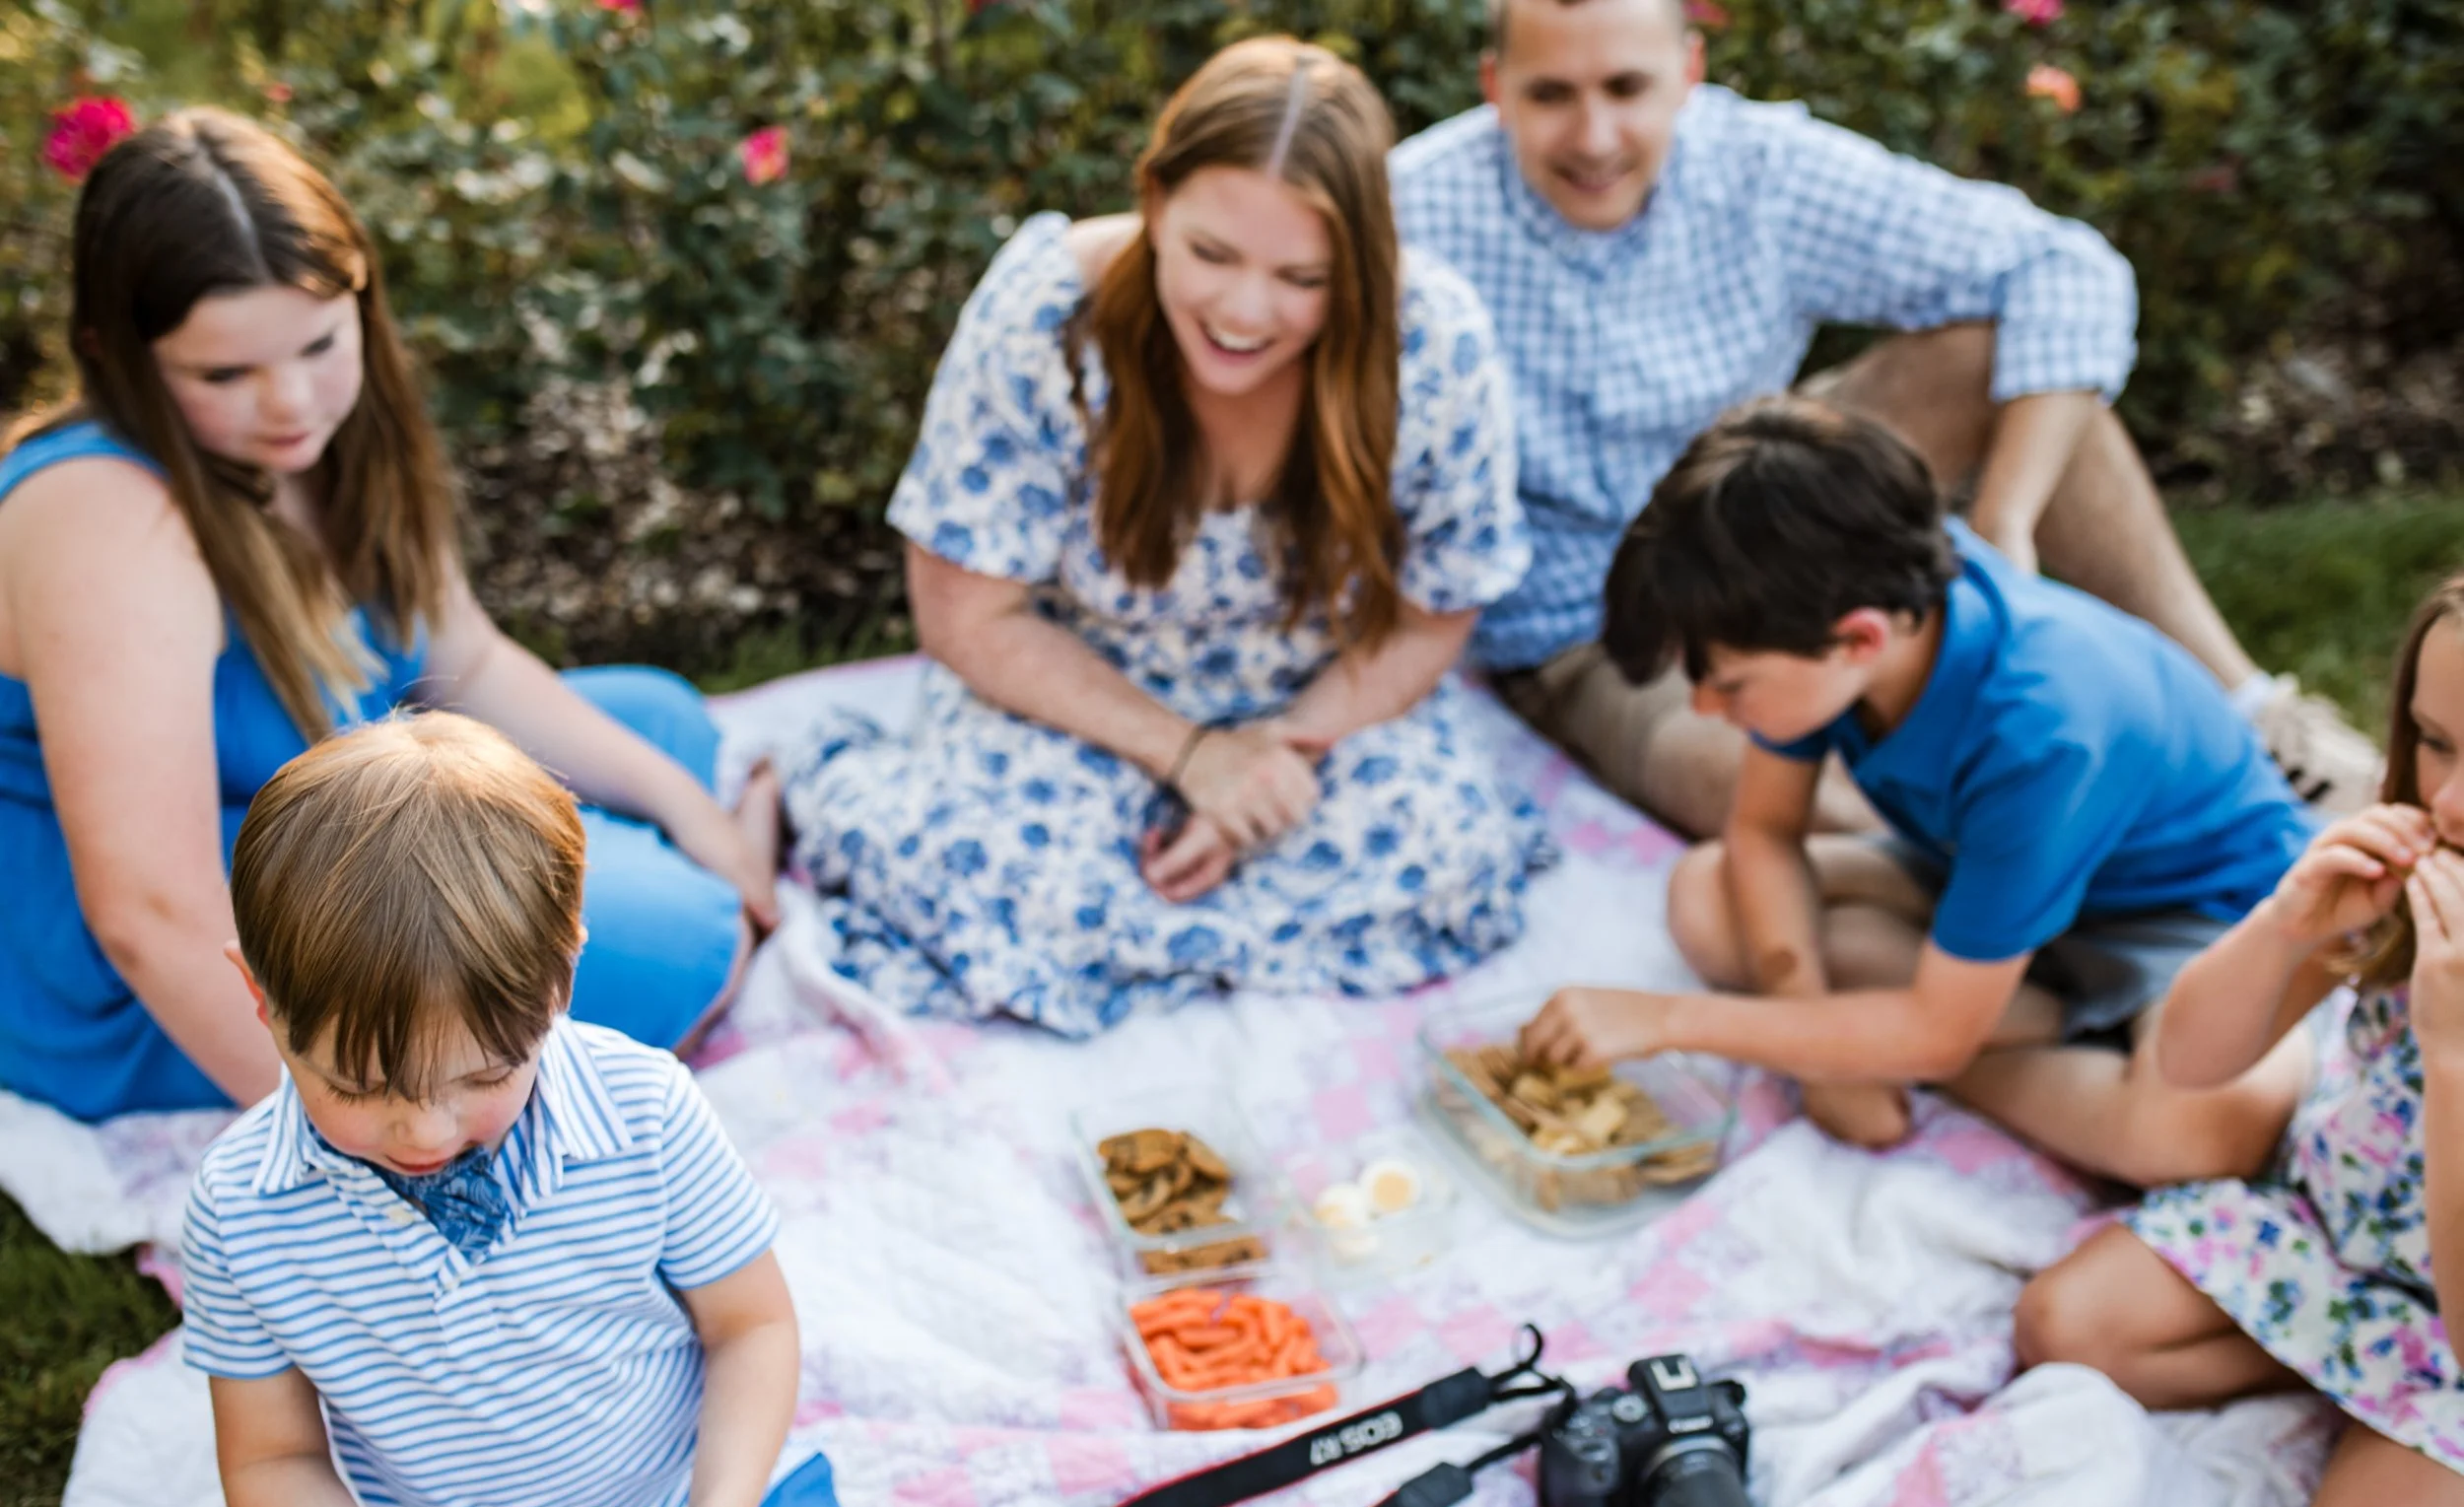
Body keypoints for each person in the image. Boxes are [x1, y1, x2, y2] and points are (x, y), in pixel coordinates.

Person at [1389, 0, 2380, 838]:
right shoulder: (1413, 210)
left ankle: (2250, 711)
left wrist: (2001, 521)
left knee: (2003, 356)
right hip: (1583, 623)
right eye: (1551, 95)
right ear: (1492, 88)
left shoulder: (1760, 164)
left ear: (1687, 72)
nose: (1594, 137)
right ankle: (2038, 858)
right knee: (1772, 797)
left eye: (1625, 90)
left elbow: (2058, 265)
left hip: (1756, 501)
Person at [0, 108, 780, 1124]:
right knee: (683, 937)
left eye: (321, 342)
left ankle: (714, 851)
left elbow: (467, 658)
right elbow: (148, 911)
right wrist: (345, 1141)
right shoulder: (106, 516)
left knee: (660, 721)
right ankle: (736, 909)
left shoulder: (334, 444)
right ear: (117, 358)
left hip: (318, 797)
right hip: (138, 939)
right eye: (223, 373)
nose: (289, 402)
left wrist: (687, 806)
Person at [780, 37, 1549, 1036]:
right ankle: (829, 774)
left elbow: (1434, 613)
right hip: (1080, 691)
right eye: (1211, 253)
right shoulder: (1045, 313)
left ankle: (1144, 945)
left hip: (1314, 700)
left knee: (1452, 855)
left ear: (1360, 262)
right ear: (1152, 201)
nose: (1242, 310)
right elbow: (966, 614)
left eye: (1300, 277)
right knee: (989, 869)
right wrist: (1190, 757)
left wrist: (1272, 760)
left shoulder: (1433, 342)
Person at [181, 712, 903, 1507]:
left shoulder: (643, 1111)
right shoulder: (242, 1210)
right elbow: (273, 1455)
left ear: (561, 975)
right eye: (359, 1086)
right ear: (261, 999)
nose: (425, 1130)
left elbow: (751, 1326)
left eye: (484, 1077)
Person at [1519, 398, 2313, 1177]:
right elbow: (1763, 832)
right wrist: (1815, 1040)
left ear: (1859, 637)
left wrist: (1666, 1020)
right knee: (1705, 891)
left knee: (2204, 1128)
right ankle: (1991, 1019)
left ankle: (1987, 1039)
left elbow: (1934, 1027)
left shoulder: (2043, 729)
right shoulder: (1841, 614)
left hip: (2188, 923)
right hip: (1989, 884)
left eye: (1730, 684)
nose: (1704, 707)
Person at [2012, 574, 2464, 1507]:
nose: (2448, 802)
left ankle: (2395, 1424)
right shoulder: (2412, 869)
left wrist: (2451, 1058)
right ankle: (2357, 1380)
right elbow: (2192, 1057)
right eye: (2436, 742)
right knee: (2065, 1326)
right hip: (2335, 1230)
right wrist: (2287, 923)